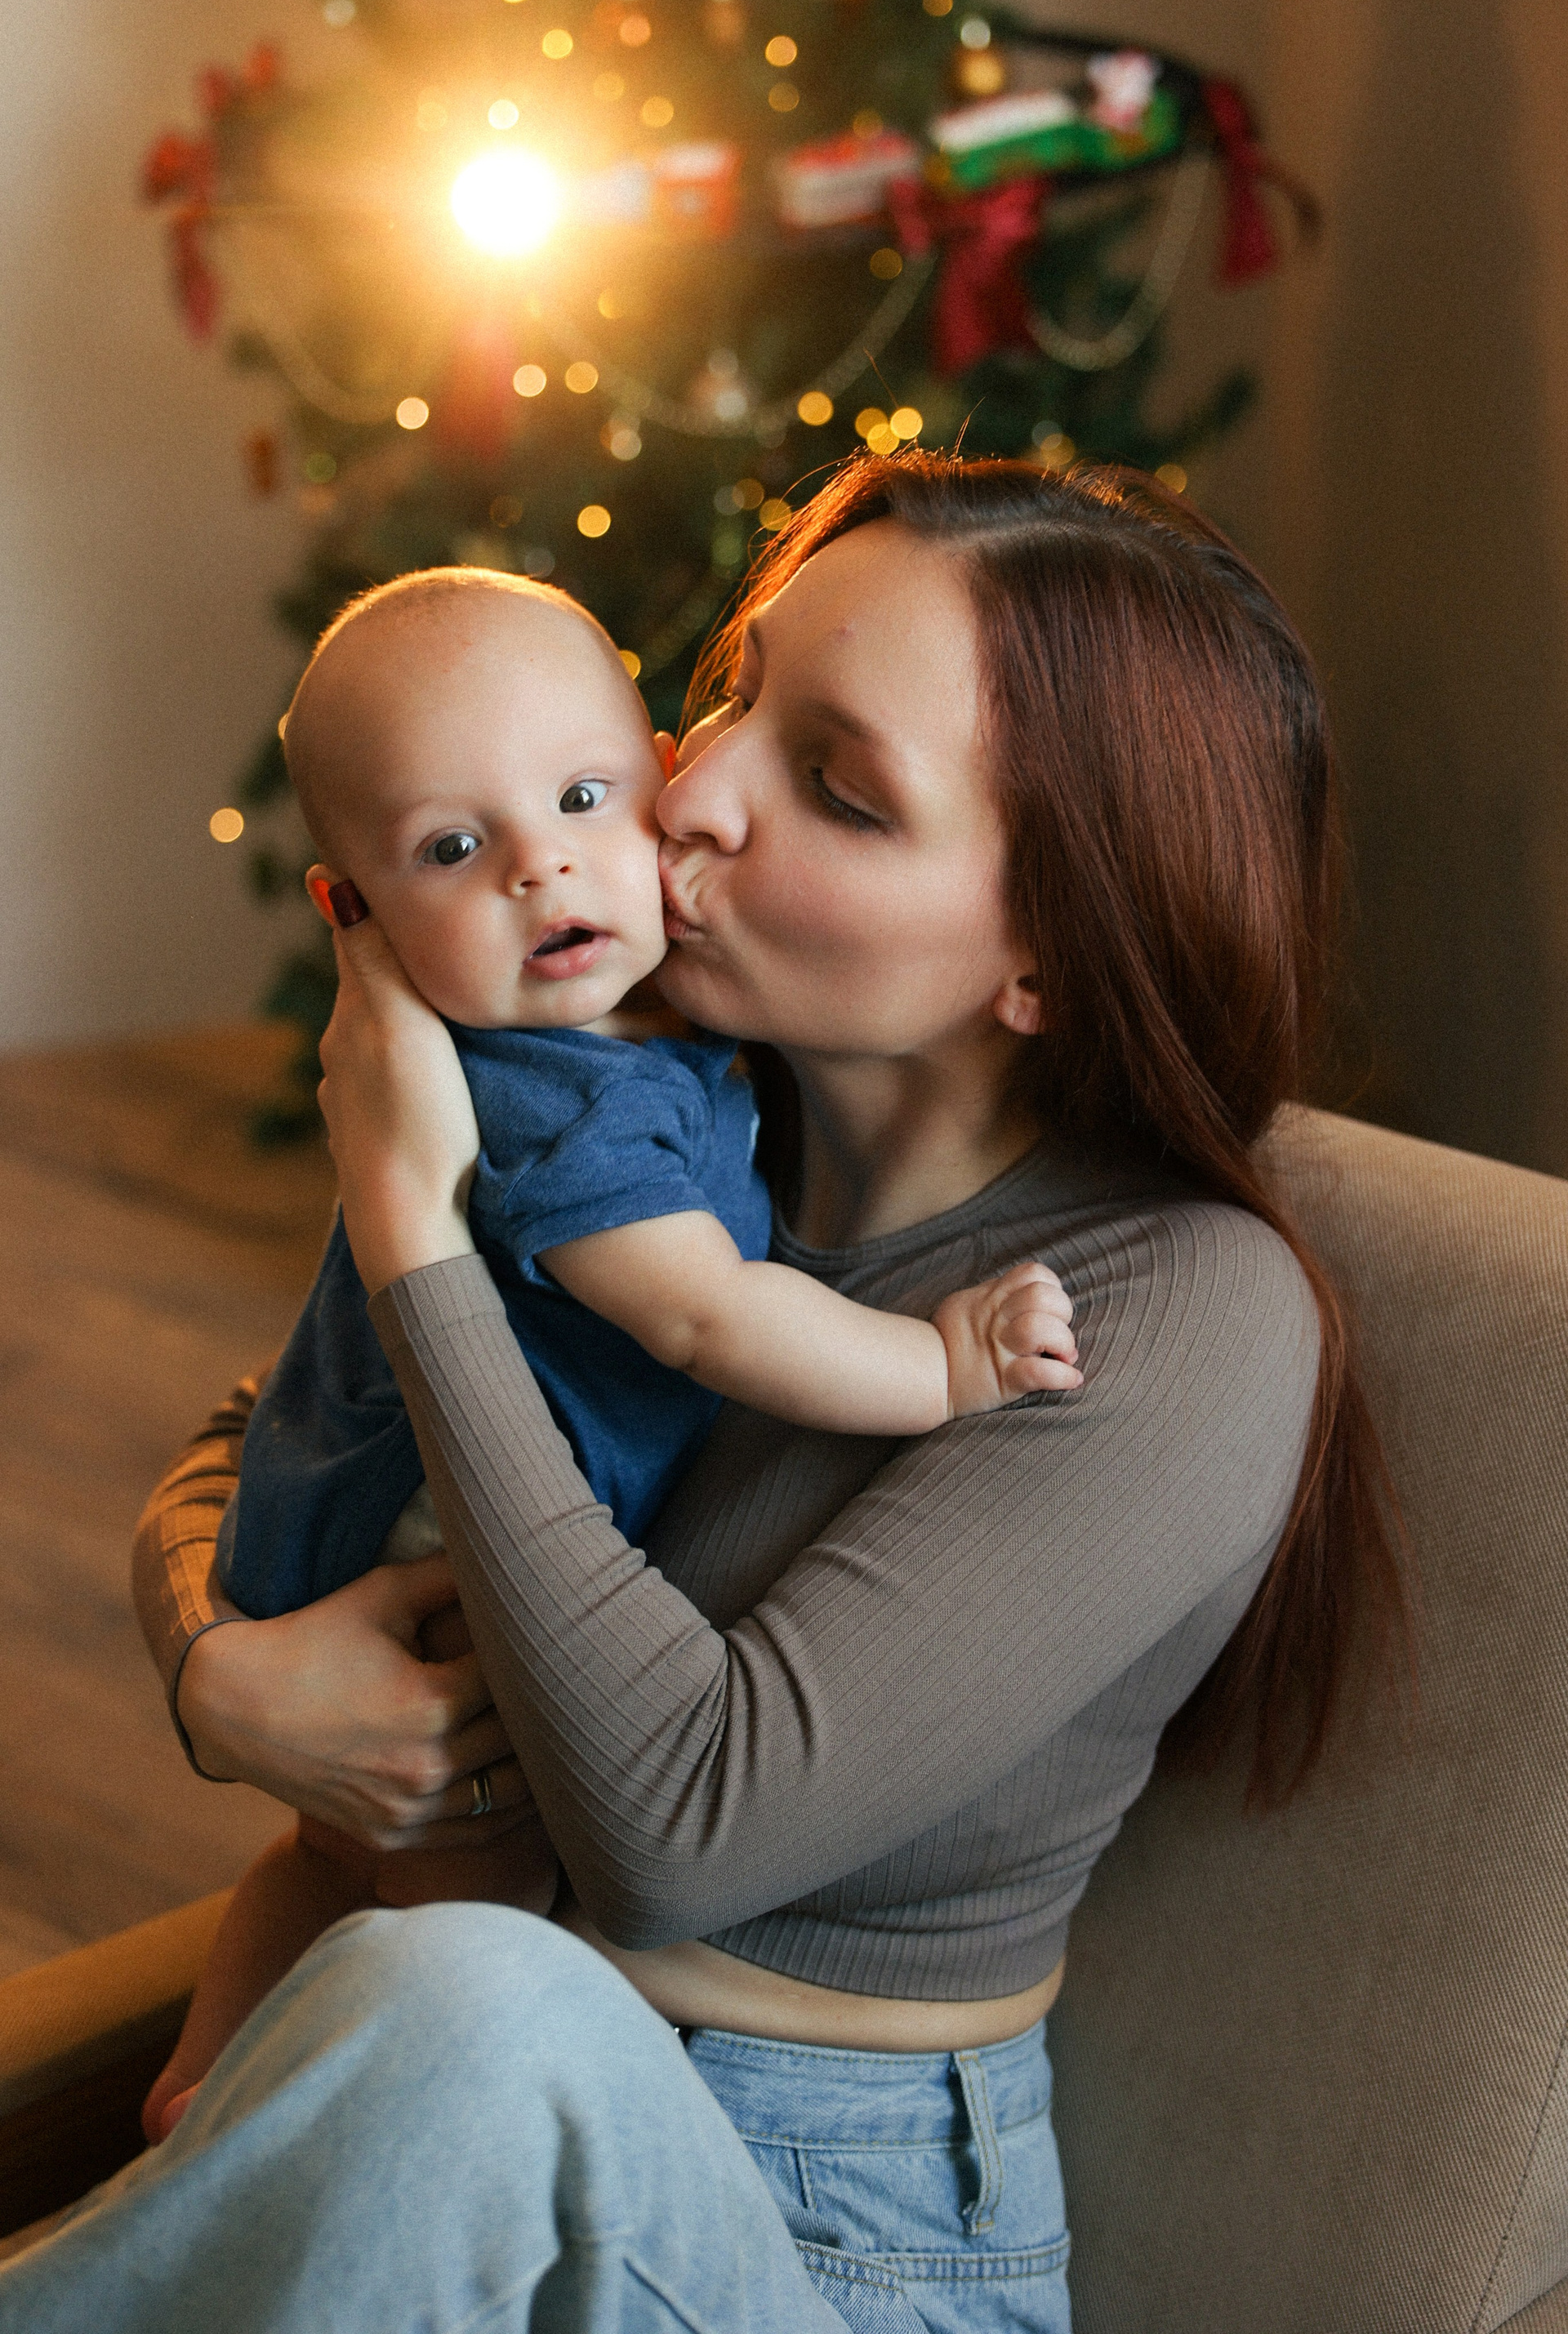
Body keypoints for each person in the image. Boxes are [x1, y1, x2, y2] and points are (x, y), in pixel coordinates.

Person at [0, 452, 1405, 2334]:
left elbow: (675, 1832)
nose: (698, 788)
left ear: (1049, 957)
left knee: (472, 2007)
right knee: (444, 2014)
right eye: (735, 688)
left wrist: (413, 1225)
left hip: (826, 2240)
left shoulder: (1177, 1314)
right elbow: (271, 1431)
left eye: (837, 785)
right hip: (426, 2127)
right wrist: (215, 1667)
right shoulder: (690, 1112)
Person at [144, 566, 1078, 2144]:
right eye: (452, 849)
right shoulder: (559, 1097)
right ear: (354, 912)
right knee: (476, 1885)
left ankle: (199, 2087)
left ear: (647, 776)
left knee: (322, 1861)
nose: (540, 867)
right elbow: (703, 1311)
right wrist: (944, 1371)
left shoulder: (658, 1032)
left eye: (582, 798)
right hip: (427, 1555)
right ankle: (294, 2129)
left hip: (327, 1515)